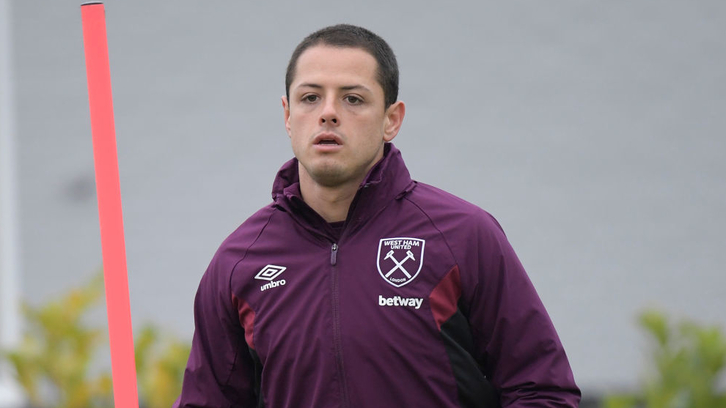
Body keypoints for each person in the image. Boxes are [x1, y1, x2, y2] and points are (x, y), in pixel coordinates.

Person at [174, 24, 581, 408]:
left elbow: (541, 389)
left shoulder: (463, 237)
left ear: (392, 119)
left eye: (353, 98)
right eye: (310, 97)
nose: (328, 113)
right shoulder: (239, 261)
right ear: (287, 115)